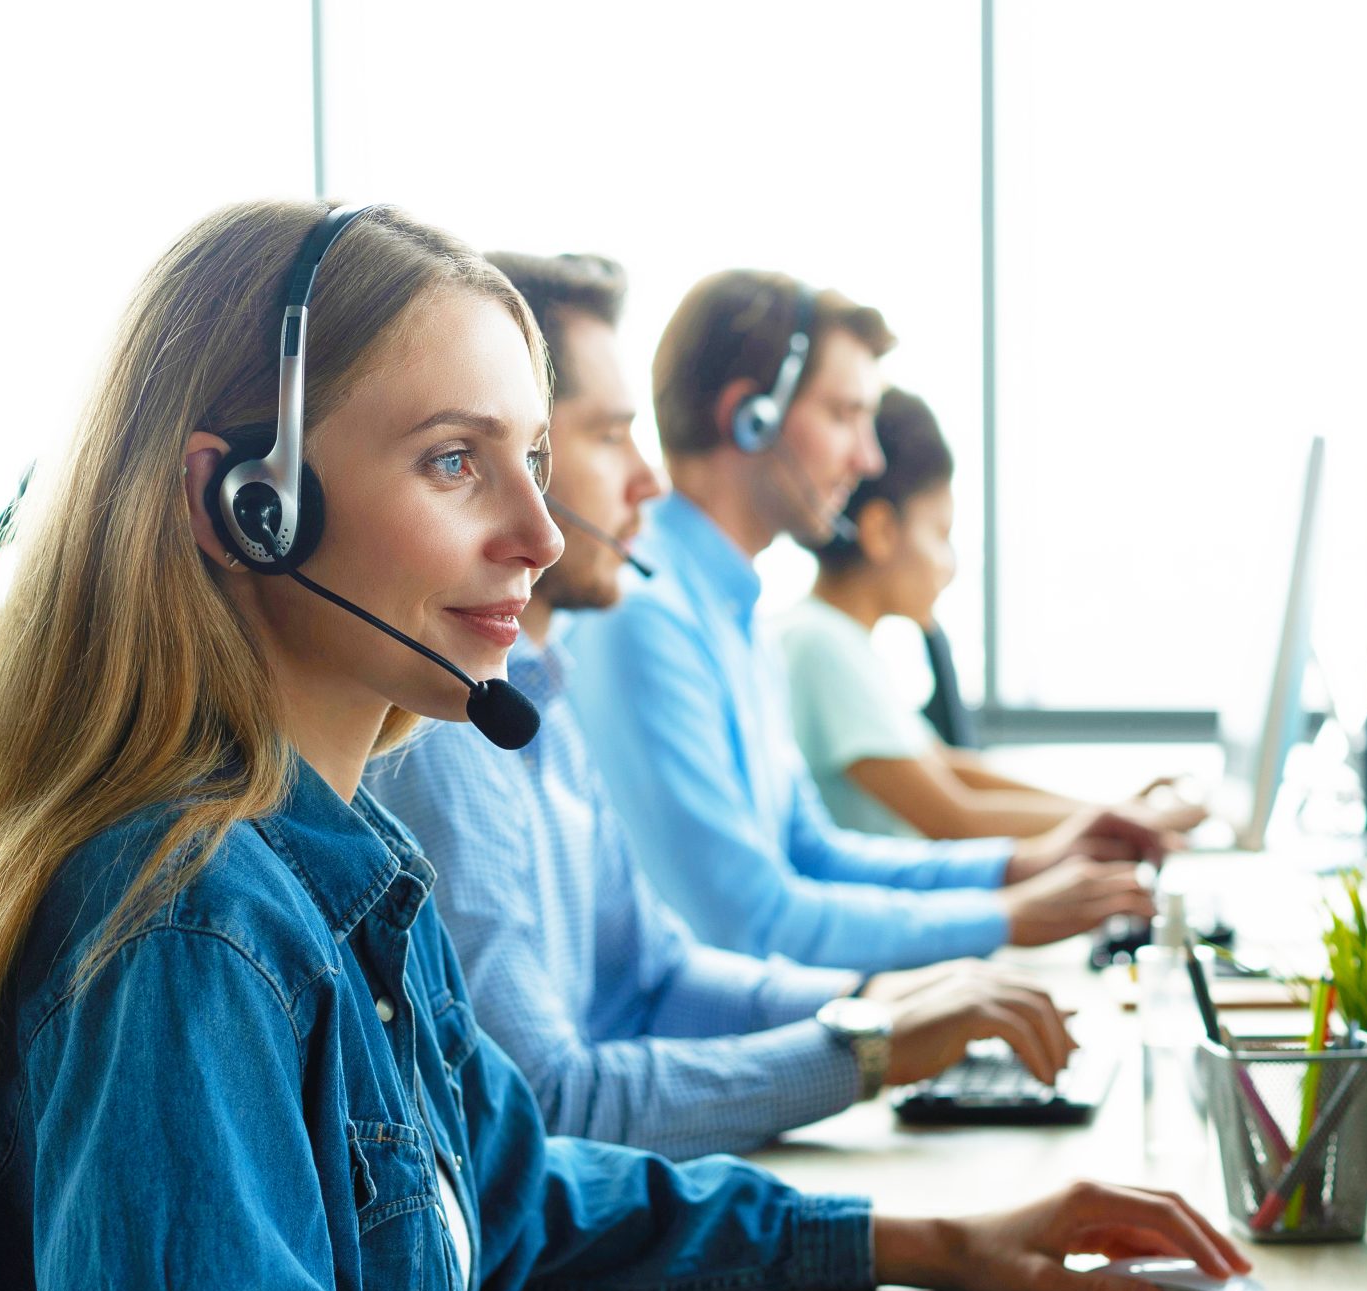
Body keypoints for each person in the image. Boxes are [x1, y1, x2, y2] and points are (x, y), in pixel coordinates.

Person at [0, 201, 1247, 1291]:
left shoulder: (341, 874)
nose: (542, 539)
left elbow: (517, 1193)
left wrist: (930, 1244)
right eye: (452, 462)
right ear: (245, 506)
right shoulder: (184, 919)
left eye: (535, 464)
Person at [372, 253, 1077, 1160]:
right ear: (748, 414)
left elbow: (656, 973)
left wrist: (869, 1008)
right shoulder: (484, 713)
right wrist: (865, 1041)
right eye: (602, 439)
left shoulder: (550, 688)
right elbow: (543, 1102)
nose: (646, 482)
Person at [559, 268, 1167, 971]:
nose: (867, 456)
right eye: (845, 415)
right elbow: (749, 923)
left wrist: (1027, 865)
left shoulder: (736, 615)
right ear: (749, 417)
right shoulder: (644, 616)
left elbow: (812, 852)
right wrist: (1005, 918)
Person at [775, 386, 1211, 842]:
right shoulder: (819, 646)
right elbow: (957, 818)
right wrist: (1127, 824)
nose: (950, 564)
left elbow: (947, 767)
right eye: (941, 533)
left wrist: (1117, 811)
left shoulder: (837, 641)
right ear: (882, 531)